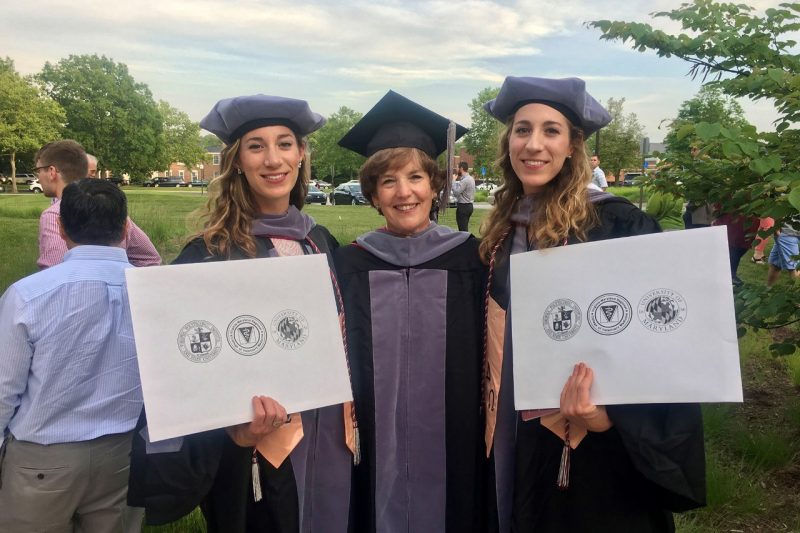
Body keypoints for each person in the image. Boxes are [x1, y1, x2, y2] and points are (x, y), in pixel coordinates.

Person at [480, 76, 706, 533]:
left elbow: (659, 338)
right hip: (510, 425)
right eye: (522, 130)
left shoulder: (616, 223)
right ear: (508, 143)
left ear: (572, 147)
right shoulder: (501, 231)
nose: (533, 144)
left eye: (551, 130)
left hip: (593, 438)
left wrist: (609, 417)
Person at [128, 94, 355, 533]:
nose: (273, 159)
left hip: (328, 440)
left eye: (285, 144)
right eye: (256, 146)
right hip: (257, 453)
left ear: (302, 154)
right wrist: (232, 433)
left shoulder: (320, 241)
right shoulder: (210, 254)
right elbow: (178, 374)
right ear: (236, 161)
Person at [335, 90, 487, 532]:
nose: (405, 192)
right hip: (370, 439)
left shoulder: (472, 261)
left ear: (435, 185)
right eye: (388, 181)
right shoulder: (349, 264)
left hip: (455, 437)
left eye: (416, 177)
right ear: (373, 194)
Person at [0, 178, 144, 532]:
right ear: (126, 227)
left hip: (42, 458)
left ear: (61, 228)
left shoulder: (28, 294)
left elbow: (5, 387)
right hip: (124, 451)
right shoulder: (153, 293)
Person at [35, 140, 160, 268]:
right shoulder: (111, 207)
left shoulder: (53, 215)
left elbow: (54, 273)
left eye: (38, 170)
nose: (38, 177)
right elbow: (149, 259)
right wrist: (123, 281)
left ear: (51, 172)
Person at [766, 220, 799, 286]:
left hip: (788, 232)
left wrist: (776, 227)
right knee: (776, 265)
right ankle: (767, 291)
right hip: (789, 231)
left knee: (794, 268)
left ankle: (796, 295)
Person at [452, 160, 476, 231]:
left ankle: (467, 242)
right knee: (464, 228)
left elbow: (456, 192)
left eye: (457, 168)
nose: (456, 170)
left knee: (462, 230)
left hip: (463, 207)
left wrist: (453, 180)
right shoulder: (471, 178)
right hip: (469, 206)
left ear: (461, 168)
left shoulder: (465, 180)